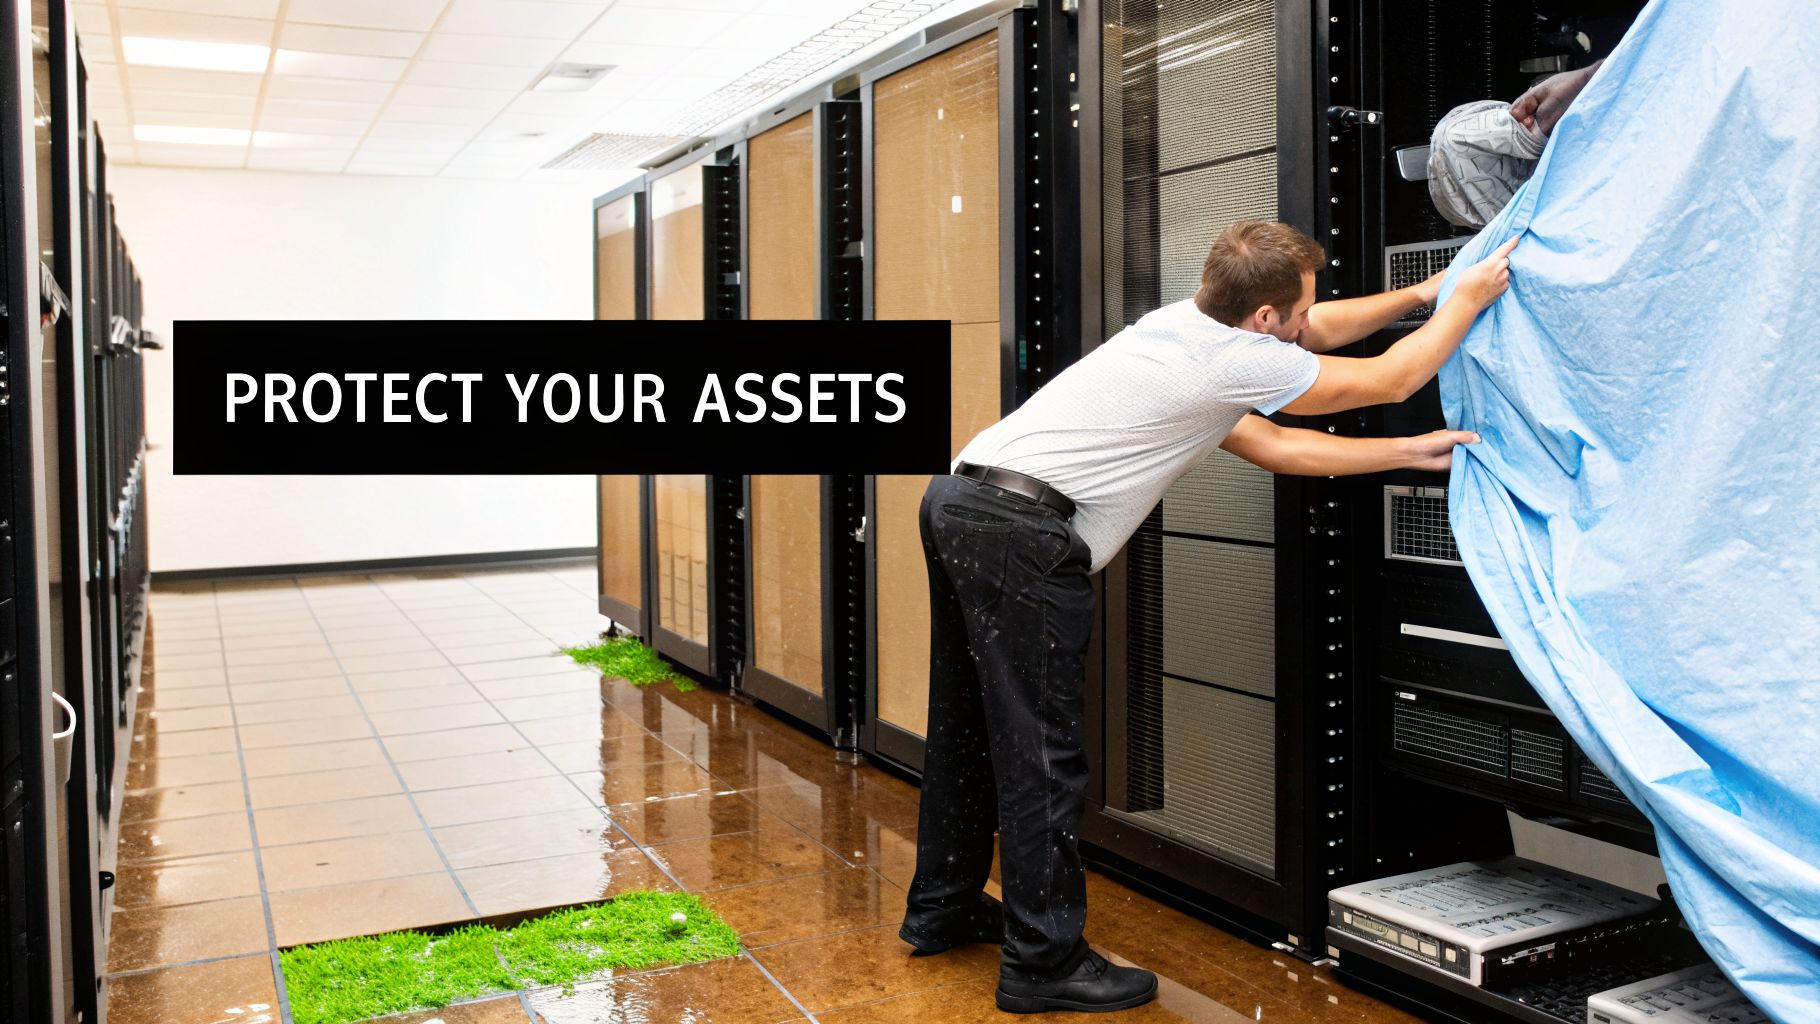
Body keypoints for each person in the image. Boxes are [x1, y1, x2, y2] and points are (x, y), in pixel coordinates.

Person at [898, 221, 1519, 1014]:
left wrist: (1415, 353)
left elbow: (1282, 437)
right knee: (1041, 753)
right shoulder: (1236, 361)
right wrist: (1462, 302)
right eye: (1296, 311)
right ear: (1263, 320)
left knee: (967, 724)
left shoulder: (1182, 326)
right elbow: (1393, 379)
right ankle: (1042, 963)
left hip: (962, 500)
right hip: (1023, 533)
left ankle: (943, 908)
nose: (1308, 320)